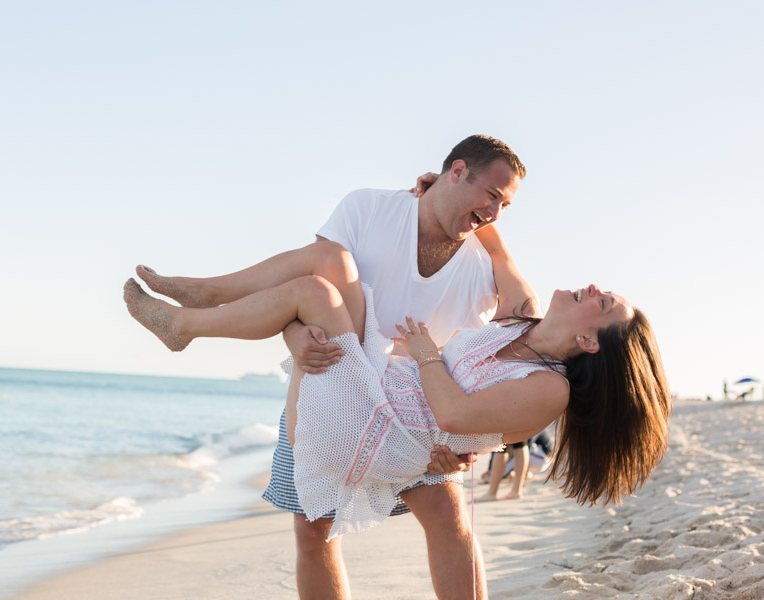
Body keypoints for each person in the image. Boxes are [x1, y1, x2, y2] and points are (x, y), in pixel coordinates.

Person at [129, 135, 532, 600]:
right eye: (493, 197)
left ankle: (202, 305)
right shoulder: (368, 209)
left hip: (415, 406)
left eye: (506, 206)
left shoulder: (484, 270)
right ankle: (206, 296)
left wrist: (468, 444)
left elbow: (491, 358)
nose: (496, 213)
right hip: (339, 374)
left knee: (449, 515)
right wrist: (297, 337)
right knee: (313, 529)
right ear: (457, 171)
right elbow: (301, 293)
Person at [125, 252, 671, 536]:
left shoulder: (550, 388)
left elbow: (456, 415)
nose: (595, 290)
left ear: (586, 342)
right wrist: (437, 187)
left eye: (604, 305)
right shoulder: (517, 323)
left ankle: (187, 325)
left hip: (375, 432)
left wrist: (426, 350)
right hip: (380, 390)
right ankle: (202, 295)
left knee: (315, 294)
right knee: (332, 265)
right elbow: (493, 240)